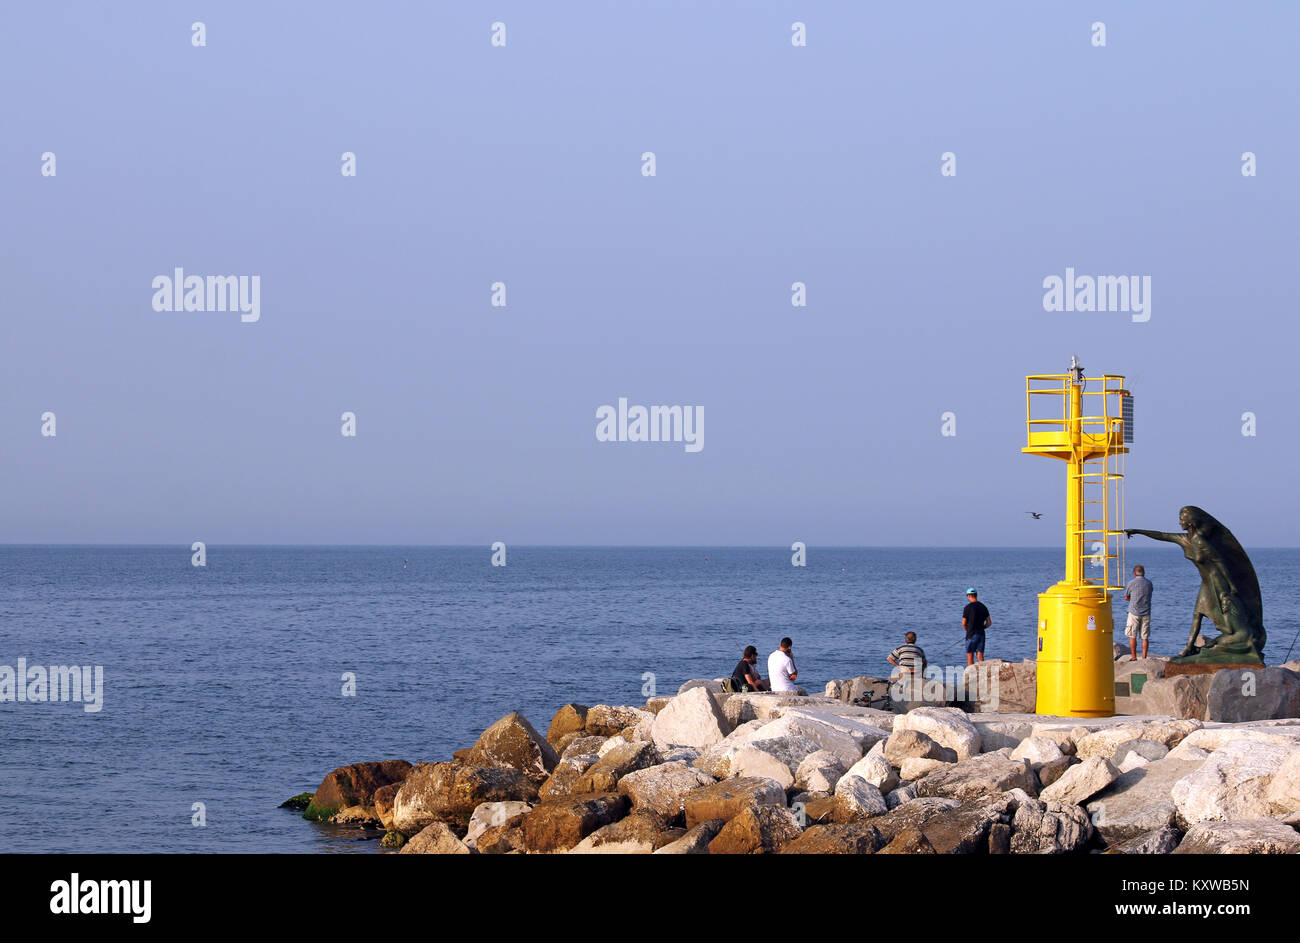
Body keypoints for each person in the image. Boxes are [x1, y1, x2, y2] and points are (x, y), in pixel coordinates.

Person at [1123, 564, 1153, 659]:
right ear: (1143, 573)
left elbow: (1126, 597)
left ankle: (1134, 656)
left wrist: (1133, 600)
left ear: (1134, 574)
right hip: (1146, 612)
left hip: (1134, 612)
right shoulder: (1149, 583)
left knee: (1132, 635)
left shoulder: (1131, 583)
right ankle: (1144, 657)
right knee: (1145, 637)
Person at [962, 588, 990, 665]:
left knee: (970, 656)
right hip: (981, 634)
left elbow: (963, 623)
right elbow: (989, 623)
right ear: (976, 595)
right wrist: (982, 627)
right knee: (980, 656)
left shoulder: (967, 608)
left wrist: (967, 630)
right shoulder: (983, 607)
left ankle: (970, 675)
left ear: (969, 595)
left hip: (971, 634)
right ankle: (982, 674)